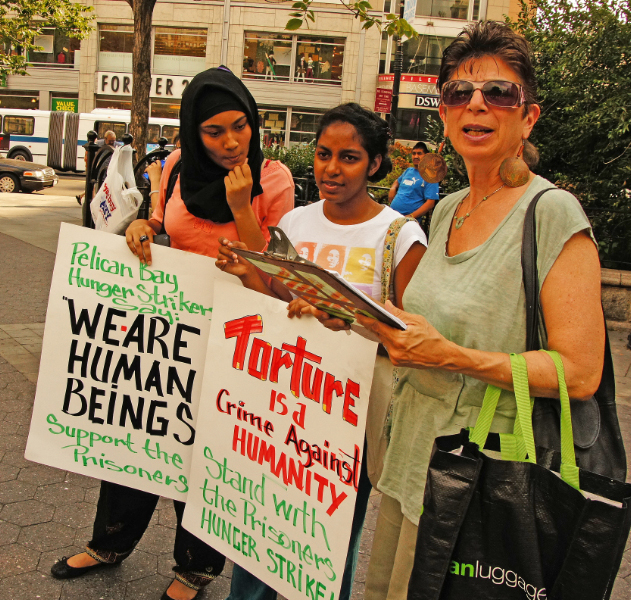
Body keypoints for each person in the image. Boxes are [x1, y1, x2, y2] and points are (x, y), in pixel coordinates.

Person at [333, 21, 603, 600]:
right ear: (446, 113)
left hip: (485, 481)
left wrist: (454, 357)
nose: (476, 103)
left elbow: (580, 373)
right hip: (414, 466)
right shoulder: (449, 207)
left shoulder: (552, 214)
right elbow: (424, 330)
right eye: (459, 92)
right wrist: (353, 316)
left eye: (498, 93)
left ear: (527, 117)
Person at [51, 66, 295, 600]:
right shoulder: (178, 166)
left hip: (237, 336)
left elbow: (274, 267)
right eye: (214, 131)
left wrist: (240, 205)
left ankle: (195, 568)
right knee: (135, 430)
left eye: (241, 126)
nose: (232, 142)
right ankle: (109, 542)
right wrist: (144, 226)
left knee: (202, 453)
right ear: (191, 131)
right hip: (167, 329)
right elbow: (162, 222)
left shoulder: (272, 178)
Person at [216, 102, 428, 600]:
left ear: (375, 164)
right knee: (261, 525)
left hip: (347, 419)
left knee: (324, 546)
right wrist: (249, 274)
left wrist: (348, 318)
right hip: (282, 405)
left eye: (349, 158)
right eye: (324, 154)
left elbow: (411, 338)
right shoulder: (297, 220)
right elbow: (278, 301)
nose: (331, 169)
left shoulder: (400, 236)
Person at [388, 141, 440, 223]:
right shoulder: (408, 171)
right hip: (392, 216)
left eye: (419, 154)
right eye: (414, 153)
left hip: (408, 222)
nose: (416, 156)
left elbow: (430, 203)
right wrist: (393, 188)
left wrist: (410, 217)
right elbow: (397, 181)